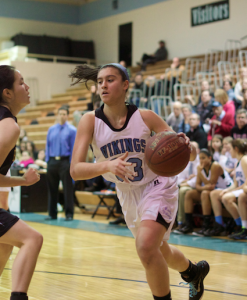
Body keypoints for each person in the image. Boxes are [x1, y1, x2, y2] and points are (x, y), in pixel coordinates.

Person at [69, 63, 209, 300]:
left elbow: (186, 154)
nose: (103, 84)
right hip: (127, 193)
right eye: (100, 80)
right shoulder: (89, 121)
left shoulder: (146, 117)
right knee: (158, 250)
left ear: (125, 85)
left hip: (158, 186)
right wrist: (107, 165)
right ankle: (192, 271)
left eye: (110, 79)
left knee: (145, 247)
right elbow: (75, 170)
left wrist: (188, 147)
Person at [0, 65, 42, 300]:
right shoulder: (8, 126)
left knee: (5, 243)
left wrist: (23, 181)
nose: (27, 87)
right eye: (21, 82)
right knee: (32, 238)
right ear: (7, 93)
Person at [178, 149, 233, 236]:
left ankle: (206, 226)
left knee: (205, 193)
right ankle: (188, 225)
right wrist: (204, 186)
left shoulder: (215, 166)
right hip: (212, 191)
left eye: (203, 158)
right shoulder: (200, 167)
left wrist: (200, 173)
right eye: (200, 158)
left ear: (210, 158)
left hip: (226, 189)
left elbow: (211, 185)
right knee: (189, 194)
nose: (201, 160)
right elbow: (197, 186)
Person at [208, 139, 247, 238]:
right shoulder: (237, 162)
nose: (229, 152)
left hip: (244, 189)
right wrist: (228, 190)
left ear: (236, 149)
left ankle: (242, 226)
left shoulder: (244, 160)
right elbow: (235, 183)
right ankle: (220, 224)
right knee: (214, 194)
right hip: (240, 189)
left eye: (230, 149)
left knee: (226, 198)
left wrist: (232, 191)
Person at [45, 106, 77, 221]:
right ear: (57, 115)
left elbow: (74, 148)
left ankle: (69, 214)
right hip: (52, 161)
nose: (62, 116)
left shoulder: (72, 130)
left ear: (67, 116)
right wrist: (47, 161)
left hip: (65, 161)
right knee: (52, 188)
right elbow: (47, 146)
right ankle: (52, 213)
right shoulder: (51, 129)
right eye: (60, 114)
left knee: (67, 188)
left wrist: (71, 164)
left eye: (64, 114)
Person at [174, 142, 200, 231]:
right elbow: (178, 177)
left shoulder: (200, 160)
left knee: (182, 190)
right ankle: (172, 221)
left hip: (197, 187)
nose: (190, 150)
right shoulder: (184, 159)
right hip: (184, 184)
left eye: (193, 148)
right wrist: (183, 182)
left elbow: (198, 178)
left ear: (198, 150)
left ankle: (182, 222)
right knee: (172, 189)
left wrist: (187, 183)